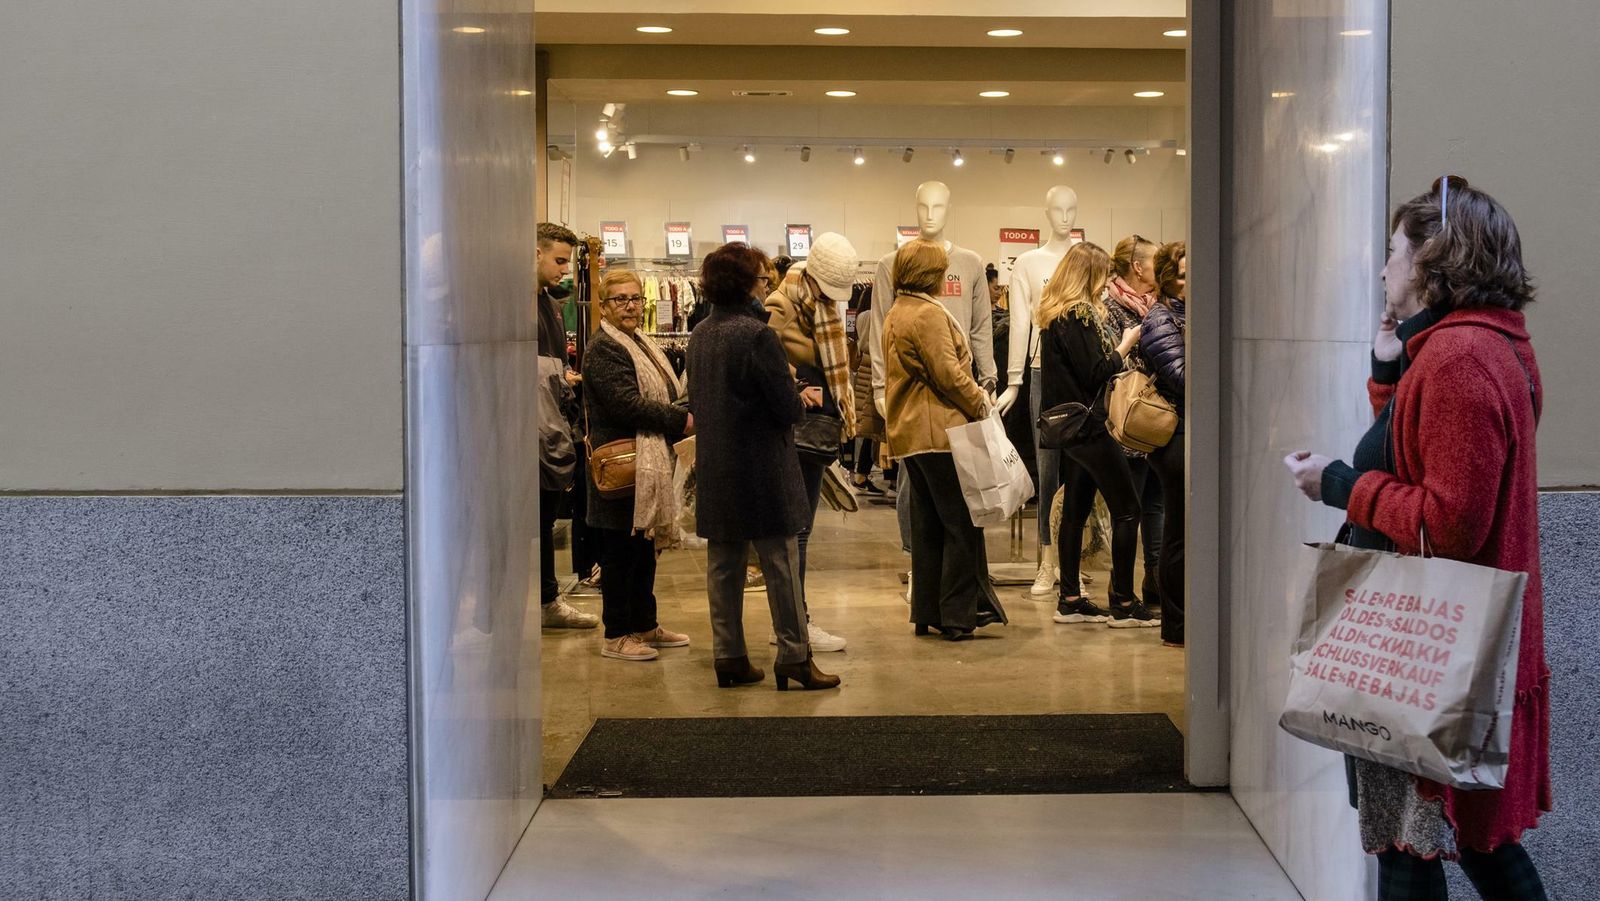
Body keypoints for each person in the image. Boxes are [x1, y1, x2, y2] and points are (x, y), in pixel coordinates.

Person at [1284, 177, 1549, 898]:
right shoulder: (1478, 344)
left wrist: (1338, 484)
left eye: (1395, 251)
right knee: (1457, 845)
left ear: (1434, 262)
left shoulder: (1459, 358)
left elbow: (1448, 521)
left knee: (1419, 848)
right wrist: (1388, 370)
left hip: (1424, 646)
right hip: (1445, 641)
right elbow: (1416, 448)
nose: (1383, 269)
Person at [689, 243, 839, 691]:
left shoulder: (701, 333)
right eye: (760, 278)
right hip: (763, 466)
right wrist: (800, 396)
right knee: (781, 563)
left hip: (717, 465)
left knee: (724, 565)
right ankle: (794, 656)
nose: (766, 284)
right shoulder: (757, 335)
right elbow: (785, 408)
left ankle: (729, 656)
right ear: (743, 284)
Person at [883, 239, 1007, 641]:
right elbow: (949, 375)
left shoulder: (898, 311)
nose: (945, 277)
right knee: (961, 524)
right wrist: (980, 401)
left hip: (912, 434)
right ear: (930, 274)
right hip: (939, 433)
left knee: (928, 528)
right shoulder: (927, 315)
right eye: (941, 270)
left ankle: (927, 611)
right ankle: (957, 616)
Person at [1038, 242, 1160, 628]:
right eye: (1103, 274)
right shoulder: (1078, 315)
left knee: (1075, 512)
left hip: (1071, 428)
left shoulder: (1054, 314)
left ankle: (1070, 600)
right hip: (1089, 428)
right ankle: (1123, 602)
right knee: (1128, 509)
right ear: (1089, 274)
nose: (1107, 281)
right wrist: (1126, 344)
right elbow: (1097, 372)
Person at [581, 269, 693, 661]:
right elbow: (626, 405)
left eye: (635, 299)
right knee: (619, 552)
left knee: (643, 548)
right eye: (621, 299)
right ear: (604, 305)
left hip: (644, 461)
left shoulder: (638, 341)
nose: (630, 306)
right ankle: (616, 634)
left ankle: (644, 624)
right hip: (622, 463)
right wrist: (681, 419)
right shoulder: (604, 348)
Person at [762, 232, 859, 653]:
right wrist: (797, 385)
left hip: (816, 432)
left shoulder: (820, 306)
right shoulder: (782, 305)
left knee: (800, 530)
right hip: (796, 433)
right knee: (796, 531)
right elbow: (764, 363)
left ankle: (792, 620)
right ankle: (795, 623)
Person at [536, 223, 599, 629]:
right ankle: (542, 600)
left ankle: (546, 598)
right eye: (559, 260)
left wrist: (563, 380)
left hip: (548, 425)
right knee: (533, 519)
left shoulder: (551, 305)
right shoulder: (515, 304)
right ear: (535, 253)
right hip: (525, 429)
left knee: (543, 517)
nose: (564, 270)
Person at [1104, 235, 1165, 604]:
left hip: (1158, 419)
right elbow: (1116, 363)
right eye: (1155, 261)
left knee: (1156, 504)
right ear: (1138, 267)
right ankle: (1121, 586)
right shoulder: (1111, 308)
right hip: (1130, 419)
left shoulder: (1157, 306)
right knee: (1129, 508)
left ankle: (1154, 580)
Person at [1140, 242, 1186, 648]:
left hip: (1190, 432)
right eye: (1184, 276)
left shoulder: (1188, 314)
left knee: (1186, 530)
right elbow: (1182, 376)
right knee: (1179, 532)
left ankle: (1186, 621)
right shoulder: (1160, 317)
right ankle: (1176, 625)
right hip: (1174, 436)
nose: (1191, 283)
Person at [850, 286, 887, 495]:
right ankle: (863, 474)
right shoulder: (877, 316)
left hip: (863, 366)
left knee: (866, 424)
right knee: (873, 425)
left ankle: (860, 473)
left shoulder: (861, 316)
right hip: (874, 367)